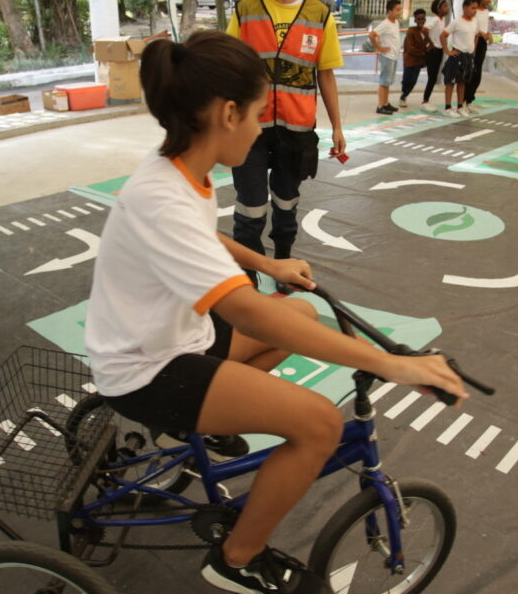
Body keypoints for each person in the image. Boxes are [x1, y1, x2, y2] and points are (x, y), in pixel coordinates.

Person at [84, 30, 468, 594]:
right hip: (146, 368)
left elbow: (205, 238)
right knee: (319, 424)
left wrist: (269, 263)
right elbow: (252, 317)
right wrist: (394, 363)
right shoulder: (161, 198)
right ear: (228, 112)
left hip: (171, 337)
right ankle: (237, 557)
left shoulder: (182, 164)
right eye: (261, 113)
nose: (264, 124)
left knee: (303, 318)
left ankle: (201, 424)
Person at [227, 0, 346, 294]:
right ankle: (246, 288)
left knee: (286, 206)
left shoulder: (319, 15)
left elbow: (326, 73)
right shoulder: (245, 9)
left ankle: (284, 266)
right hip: (250, 131)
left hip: (296, 134)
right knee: (249, 211)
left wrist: (337, 127)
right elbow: (228, 64)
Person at [440, 0, 480, 117]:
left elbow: (476, 35)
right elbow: (443, 35)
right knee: (451, 82)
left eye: (476, 8)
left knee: (462, 82)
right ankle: (447, 107)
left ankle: (460, 106)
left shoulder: (475, 21)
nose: (475, 11)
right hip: (457, 55)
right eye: (472, 8)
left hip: (468, 57)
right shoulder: (457, 22)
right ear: (465, 8)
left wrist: (474, 50)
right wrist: (447, 51)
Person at [370, 0, 404, 114]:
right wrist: (379, 48)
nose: (399, 12)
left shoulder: (396, 23)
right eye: (397, 10)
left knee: (388, 82)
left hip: (393, 56)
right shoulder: (385, 24)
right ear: (389, 11)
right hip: (387, 56)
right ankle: (380, 105)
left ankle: (386, 103)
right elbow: (372, 35)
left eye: (400, 10)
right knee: (384, 81)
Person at [464, 0, 495, 107]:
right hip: (473, 41)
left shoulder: (486, 12)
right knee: (470, 72)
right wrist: (481, 33)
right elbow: (473, 25)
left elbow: (485, 27)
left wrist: (488, 34)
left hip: (482, 43)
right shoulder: (475, 11)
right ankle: (463, 100)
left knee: (477, 73)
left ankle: (469, 100)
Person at [420, 0, 450, 111]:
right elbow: (424, 29)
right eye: (444, 6)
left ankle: (427, 100)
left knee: (434, 76)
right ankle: (425, 101)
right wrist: (430, 42)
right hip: (433, 51)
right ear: (438, 9)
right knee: (432, 77)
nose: (447, 8)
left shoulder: (442, 20)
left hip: (439, 49)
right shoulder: (436, 19)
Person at [399, 9, 429, 109]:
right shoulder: (411, 31)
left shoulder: (425, 31)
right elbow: (410, 48)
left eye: (423, 19)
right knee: (406, 80)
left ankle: (404, 96)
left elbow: (427, 45)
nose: (421, 21)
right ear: (415, 20)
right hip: (409, 60)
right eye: (418, 19)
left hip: (418, 61)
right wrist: (423, 53)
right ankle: (403, 96)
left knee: (413, 81)